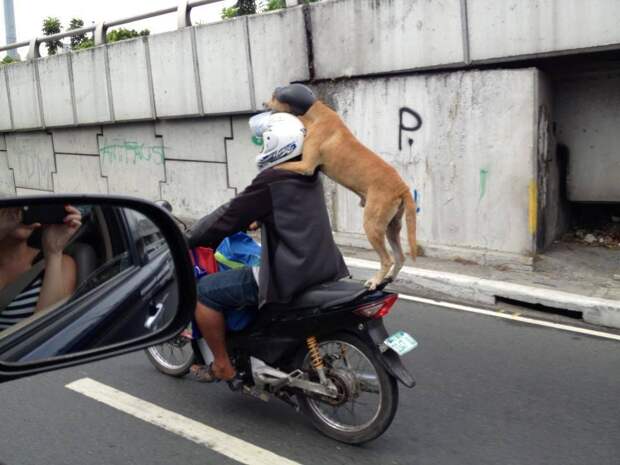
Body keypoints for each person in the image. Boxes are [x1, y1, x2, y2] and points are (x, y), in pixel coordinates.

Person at [186, 112, 349, 381]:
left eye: (263, 142)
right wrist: (261, 219)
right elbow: (293, 213)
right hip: (324, 265)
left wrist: (190, 237)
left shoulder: (272, 180)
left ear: (275, 143)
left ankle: (223, 364)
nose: (261, 148)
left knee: (204, 292)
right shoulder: (310, 173)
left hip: (289, 273)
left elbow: (227, 216)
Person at [0, 205, 82, 331]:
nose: (21, 211)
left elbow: (48, 331)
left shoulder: (60, 263)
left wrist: (53, 252)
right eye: (13, 205)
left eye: (29, 207)